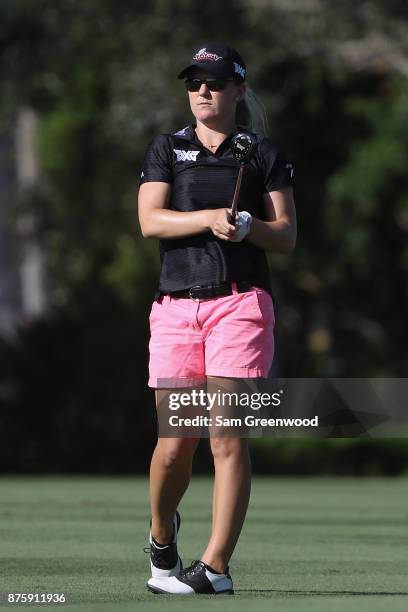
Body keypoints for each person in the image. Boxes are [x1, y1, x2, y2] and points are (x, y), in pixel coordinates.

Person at [138, 42, 296, 595]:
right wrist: (208, 217)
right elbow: (151, 221)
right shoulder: (168, 149)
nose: (202, 91)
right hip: (177, 308)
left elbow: (287, 235)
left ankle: (215, 568)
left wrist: (249, 225)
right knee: (174, 444)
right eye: (194, 82)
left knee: (228, 437)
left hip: (240, 304)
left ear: (238, 91)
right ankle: (162, 535)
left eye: (214, 82)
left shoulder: (263, 154)